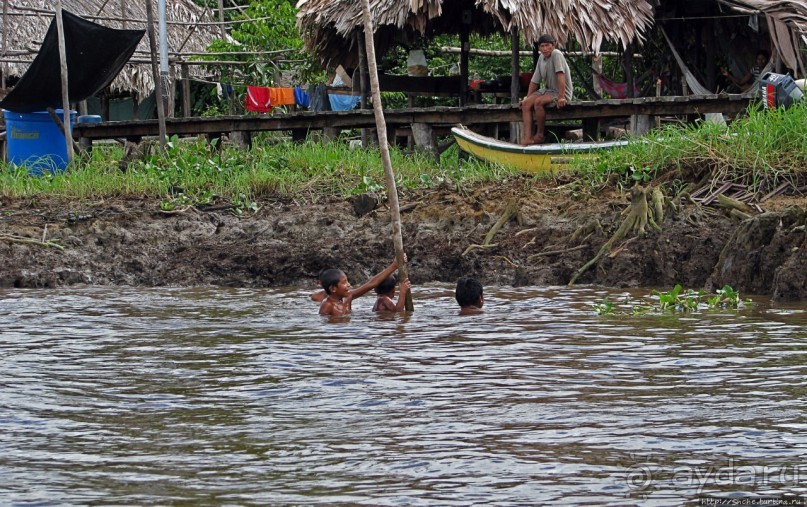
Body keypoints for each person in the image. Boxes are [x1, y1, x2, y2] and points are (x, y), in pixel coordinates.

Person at [520, 34, 573, 145]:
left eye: (547, 45)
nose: (545, 48)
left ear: (553, 45)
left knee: (539, 102)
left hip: (560, 92)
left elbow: (560, 75)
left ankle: (540, 135)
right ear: (539, 48)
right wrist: (528, 96)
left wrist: (562, 97)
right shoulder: (541, 58)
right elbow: (535, 81)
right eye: (542, 46)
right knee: (525, 104)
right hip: (548, 90)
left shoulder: (556, 54)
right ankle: (527, 138)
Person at [319, 254, 406, 317]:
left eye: (347, 281)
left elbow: (371, 284)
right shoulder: (327, 305)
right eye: (344, 282)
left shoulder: (348, 297)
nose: (349, 285)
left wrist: (395, 265)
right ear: (333, 288)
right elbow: (322, 324)